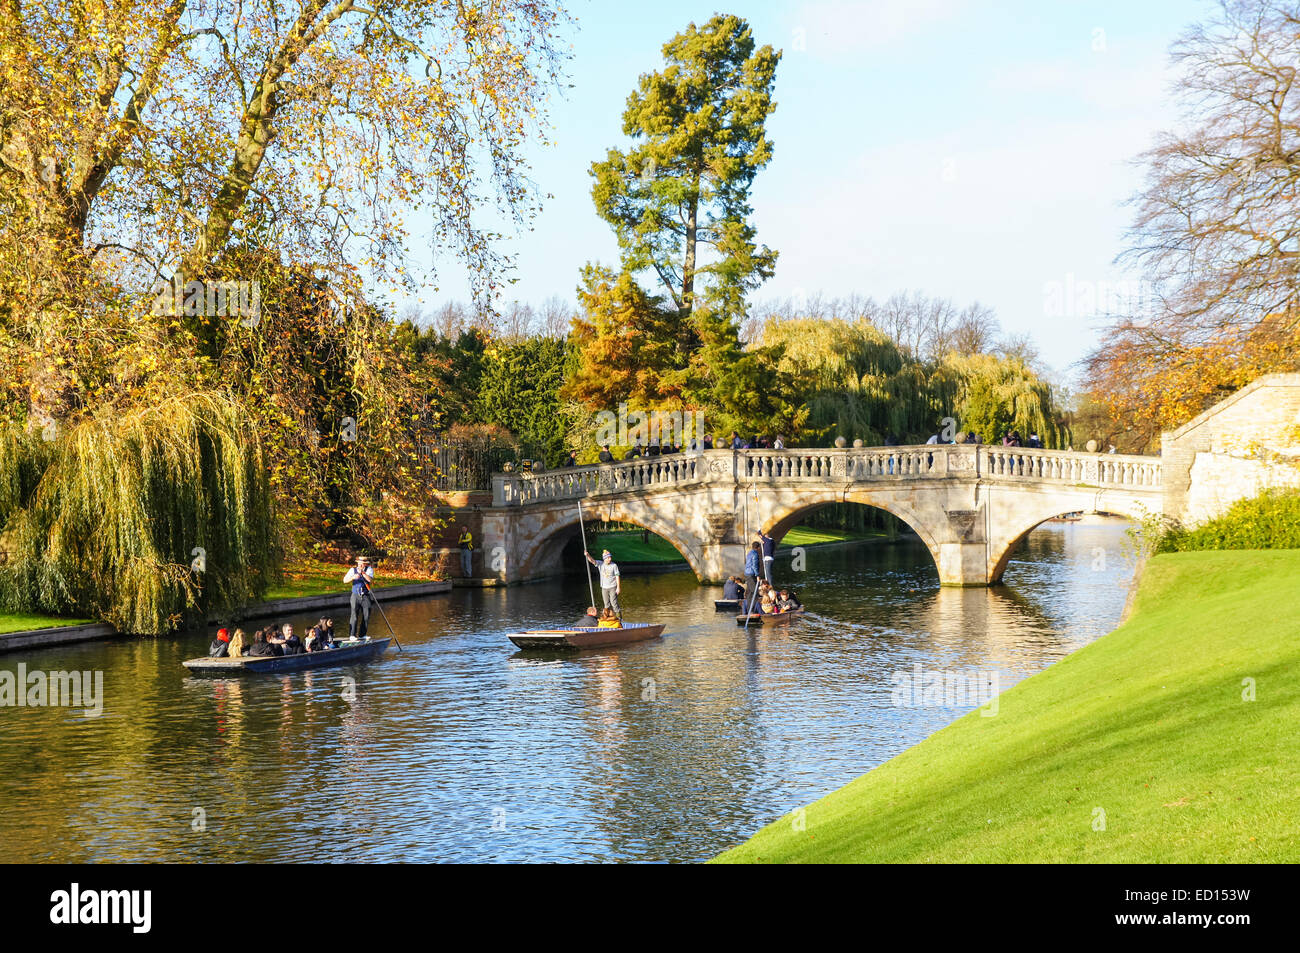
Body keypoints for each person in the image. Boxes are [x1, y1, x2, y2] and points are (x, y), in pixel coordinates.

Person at [343, 555, 375, 640]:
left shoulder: (369, 570)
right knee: (354, 615)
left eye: (362, 564)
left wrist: (363, 573)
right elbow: (344, 580)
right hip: (355, 595)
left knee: (366, 615)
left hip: (365, 595)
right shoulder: (352, 570)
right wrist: (353, 577)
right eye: (359, 564)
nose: (360, 565)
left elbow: (369, 580)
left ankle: (362, 634)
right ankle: (352, 635)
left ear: (365, 564)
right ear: (357, 563)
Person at [584, 549, 622, 618]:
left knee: (614, 603)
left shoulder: (614, 565)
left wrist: (618, 587)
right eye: (608, 558)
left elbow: (617, 576)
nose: (610, 559)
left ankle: (619, 617)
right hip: (604, 587)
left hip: (612, 586)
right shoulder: (600, 564)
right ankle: (607, 618)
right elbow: (592, 561)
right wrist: (587, 555)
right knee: (606, 605)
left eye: (610, 557)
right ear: (604, 559)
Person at [743, 542, 761, 610]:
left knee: (750, 592)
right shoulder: (755, 554)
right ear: (758, 547)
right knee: (755, 592)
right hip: (752, 574)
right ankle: (753, 609)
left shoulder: (749, 553)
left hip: (747, 573)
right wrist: (757, 575)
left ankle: (749, 608)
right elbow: (754, 566)